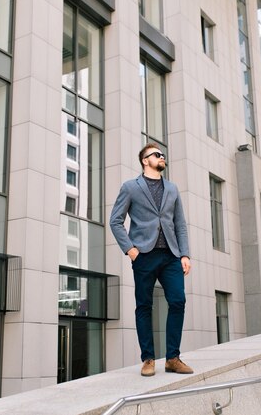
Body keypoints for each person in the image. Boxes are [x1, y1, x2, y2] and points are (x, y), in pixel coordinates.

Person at [110, 142, 193, 377]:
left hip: (171, 255)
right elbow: (115, 221)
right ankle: (148, 358)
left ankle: (173, 358)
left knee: (178, 301)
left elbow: (180, 224)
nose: (162, 157)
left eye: (163, 154)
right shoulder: (130, 187)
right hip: (144, 255)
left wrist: (185, 254)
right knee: (144, 306)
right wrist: (130, 250)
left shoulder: (173, 189)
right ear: (145, 160)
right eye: (157, 155)